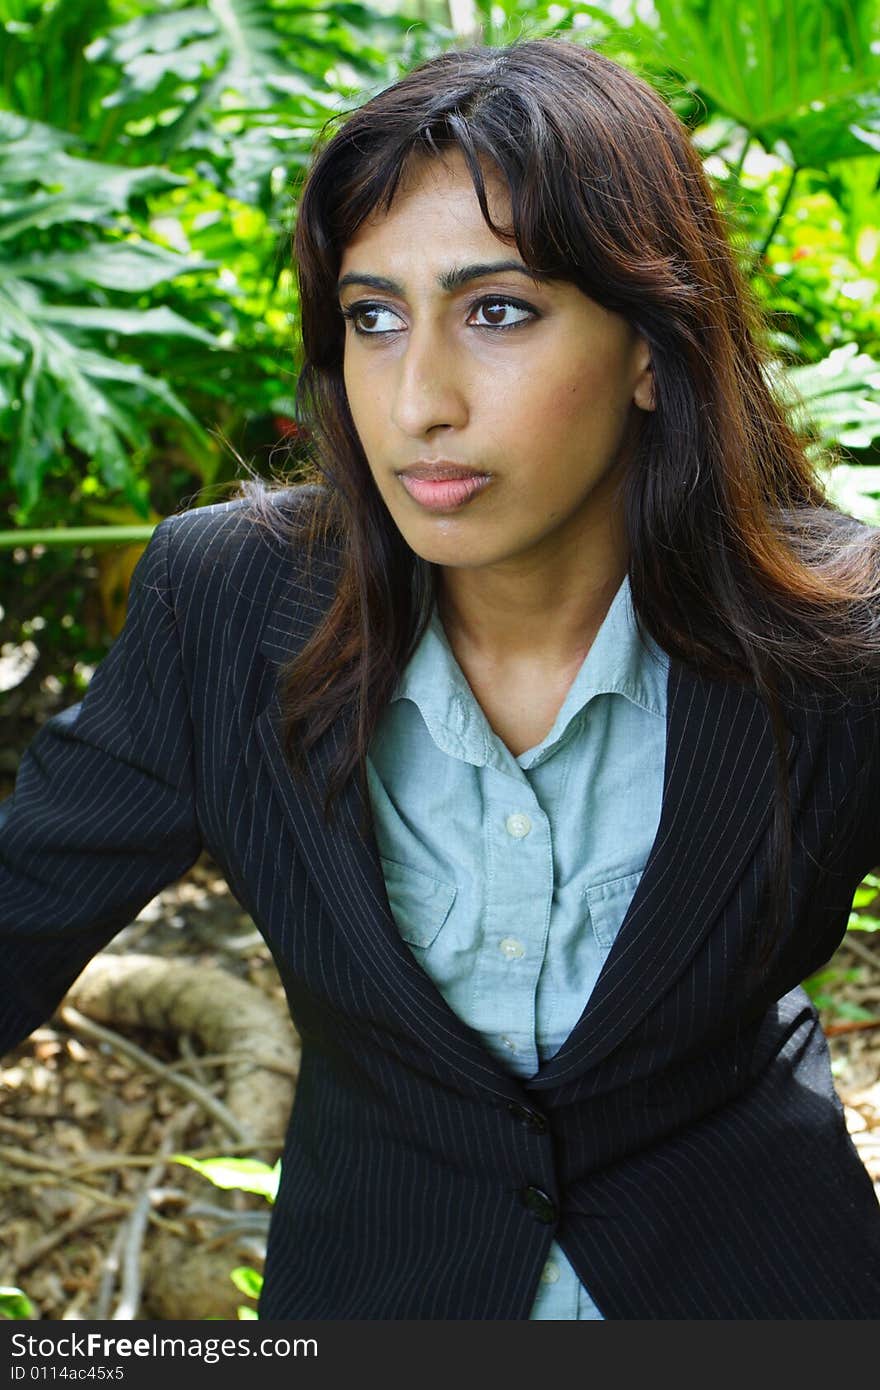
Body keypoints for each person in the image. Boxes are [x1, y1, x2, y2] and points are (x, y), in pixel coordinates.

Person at [2, 35, 880, 1320]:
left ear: (651, 347)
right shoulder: (230, 604)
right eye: (372, 317)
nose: (418, 399)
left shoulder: (836, 635)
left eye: (498, 311)